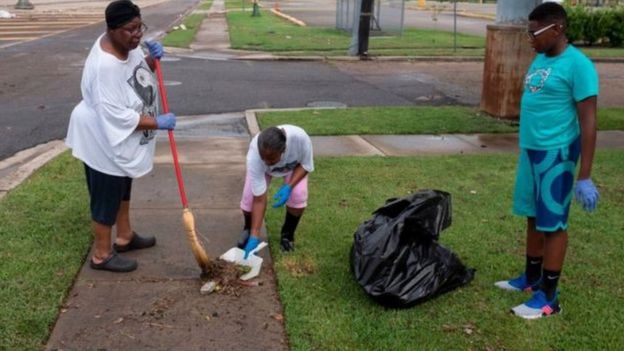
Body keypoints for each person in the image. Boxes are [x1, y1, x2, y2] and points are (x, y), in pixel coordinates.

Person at [494, 2, 600, 319]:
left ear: (557, 29)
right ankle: (531, 277)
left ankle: (550, 298)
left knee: (553, 223)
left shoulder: (579, 66)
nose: (530, 39)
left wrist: (585, 175)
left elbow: (589, 121)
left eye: (534, 33)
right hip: (532, 150)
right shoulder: (541, 58)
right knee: (531, 214)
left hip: (558, 154)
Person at [65, 0, 176, 272]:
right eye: (131, 29)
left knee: (123, 187)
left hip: (118, 138)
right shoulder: (105, 67)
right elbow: (115, 115)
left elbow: (133, 76)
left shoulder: (126, 45)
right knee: (105, 195)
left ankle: (125, 237)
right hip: (101, 139)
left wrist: (151, 61)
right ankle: (102, 255)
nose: (138, 34)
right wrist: (156, 122)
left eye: (140, 27)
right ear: (112, 29)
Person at [237, 125, 314, 258]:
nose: (267, 162)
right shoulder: (255, 156)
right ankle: (249, 230)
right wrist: (255, 235)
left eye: (271, 159)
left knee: (298, 196)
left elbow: (306, 165)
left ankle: (287, 235)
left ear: (283, 150)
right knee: (249, 199)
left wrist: (289, 186)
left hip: (292, 168)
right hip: (264, 173)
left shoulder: (300, 139)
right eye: (263, 158)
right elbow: (259, 199)